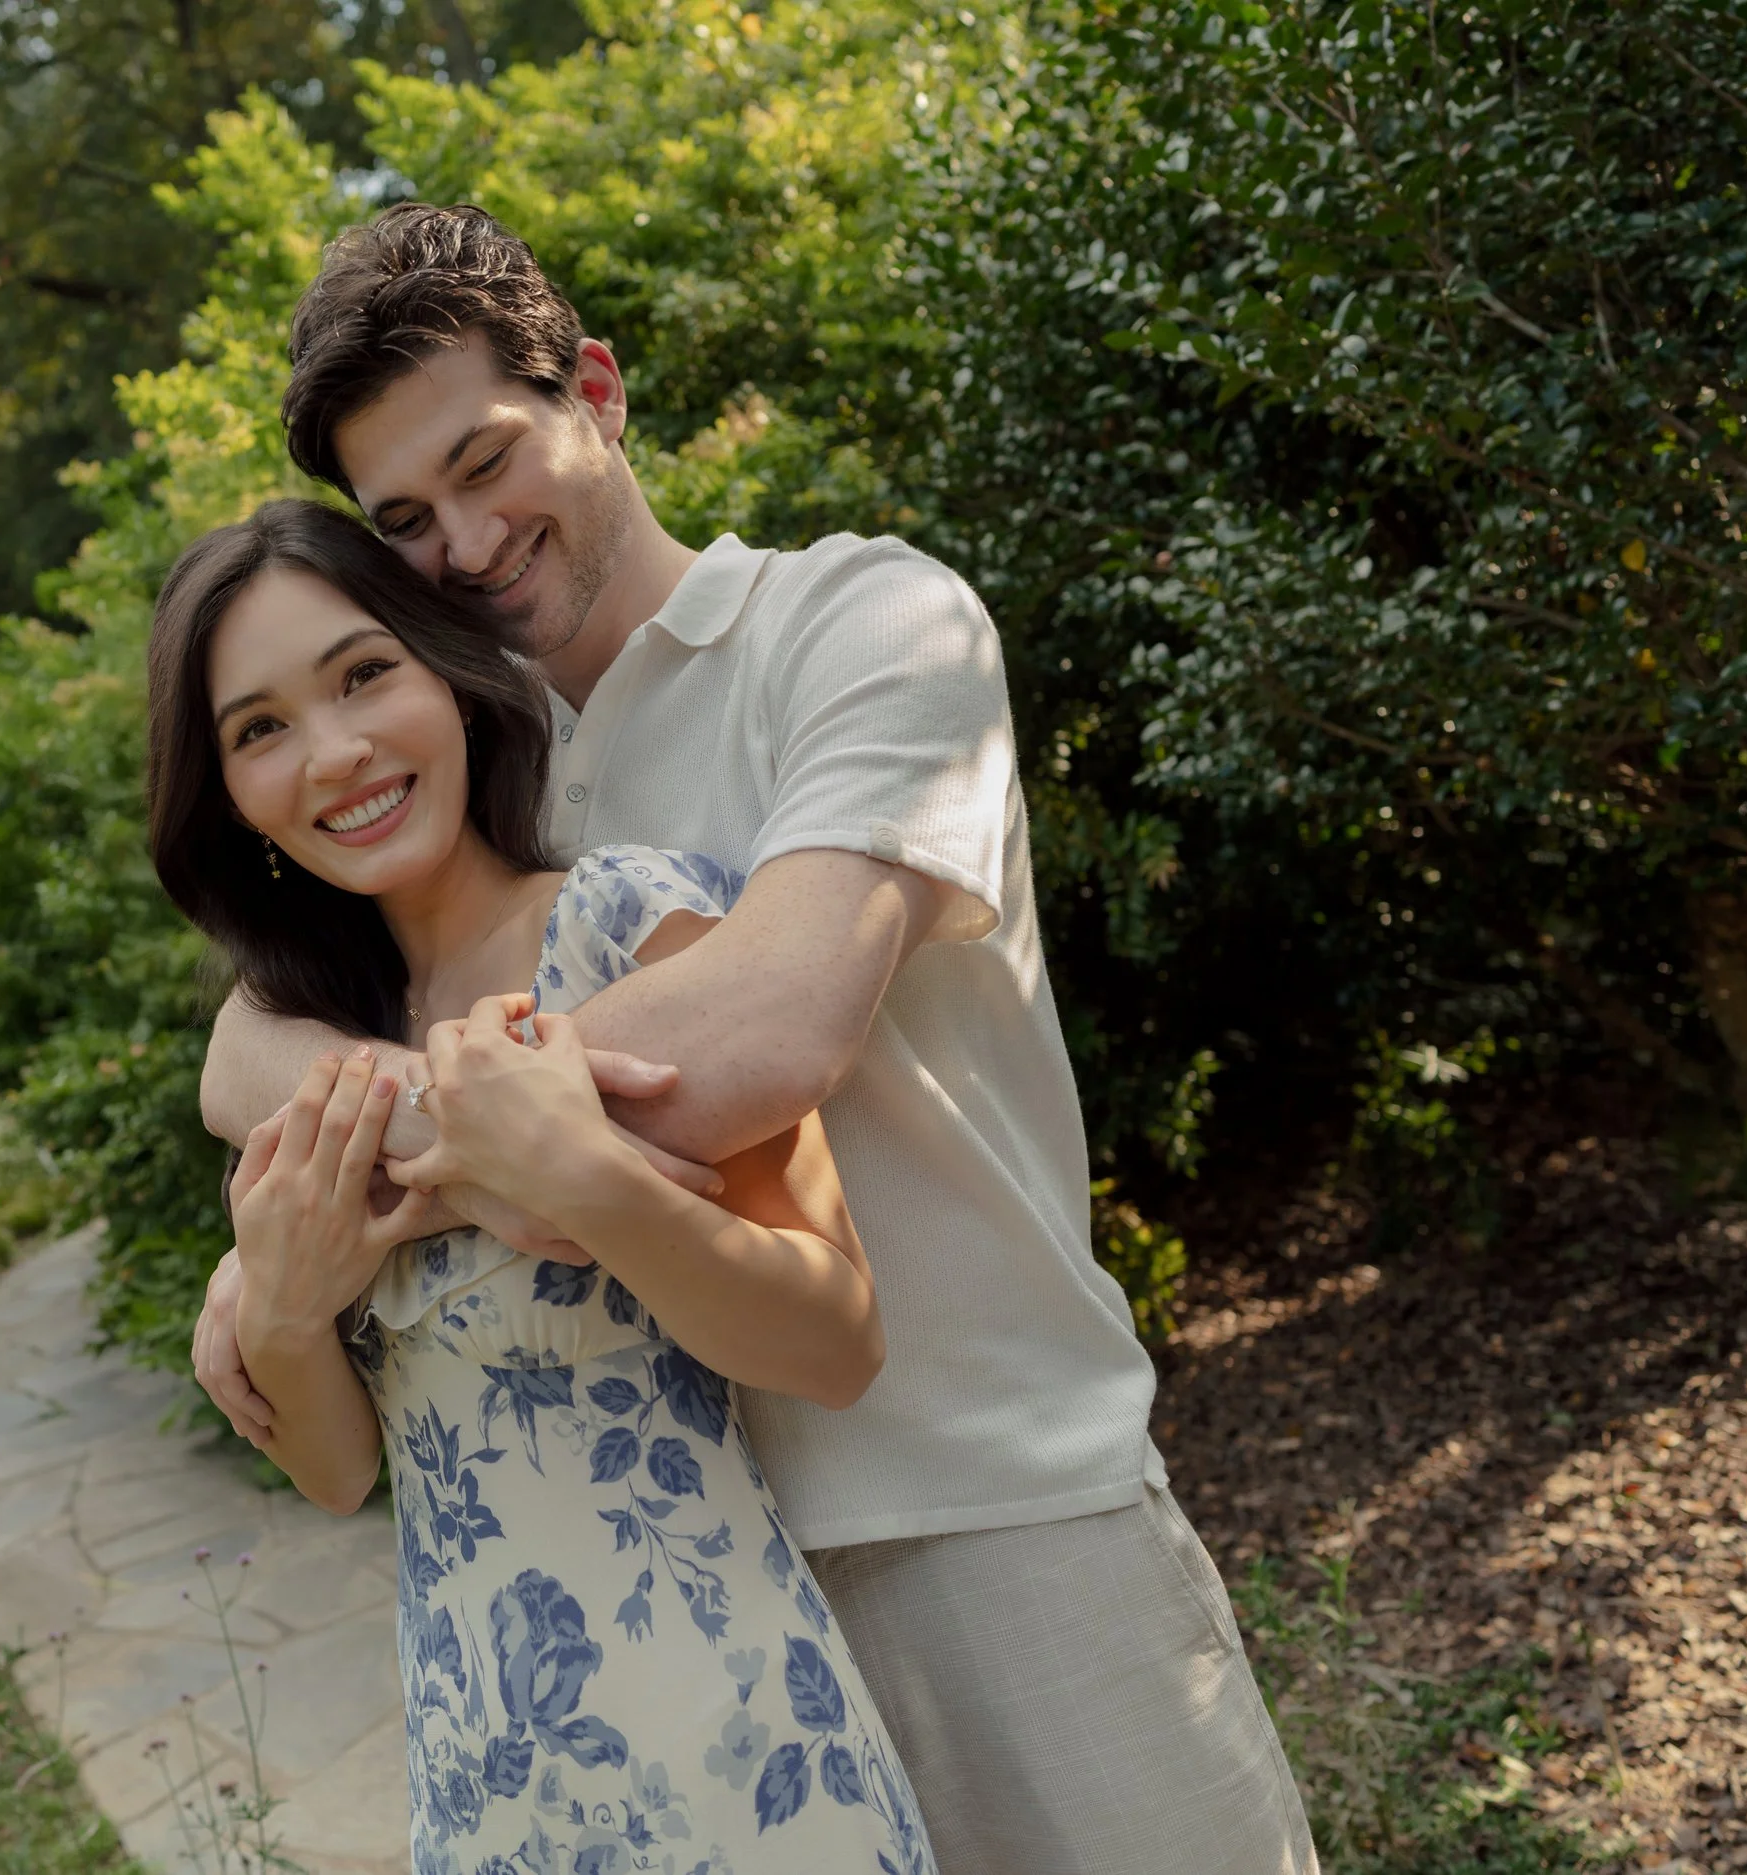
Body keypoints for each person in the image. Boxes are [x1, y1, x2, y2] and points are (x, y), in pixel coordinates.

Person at [191, 204, 1319, 1874]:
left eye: (489, 459)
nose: (468, 540)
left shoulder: (860, 628)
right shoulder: (483, 778)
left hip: (996, 1519)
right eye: (407, 518)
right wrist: (297, 1166)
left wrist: (339, 1174)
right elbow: (249, 1035)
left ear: (597, 389)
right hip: (705, 1615)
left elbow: (756, 1040)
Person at [145, 497, 935, 1874]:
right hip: (486, 1786)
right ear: (230, 797)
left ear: (447, 674)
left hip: (741, 1760)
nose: (334, 753)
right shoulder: (312, 1053)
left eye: (363, 672)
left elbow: (837, 1341)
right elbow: (341, 1471)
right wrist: (282, 1304)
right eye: (260, 728)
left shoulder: (632, 924)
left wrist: (578, 1174)